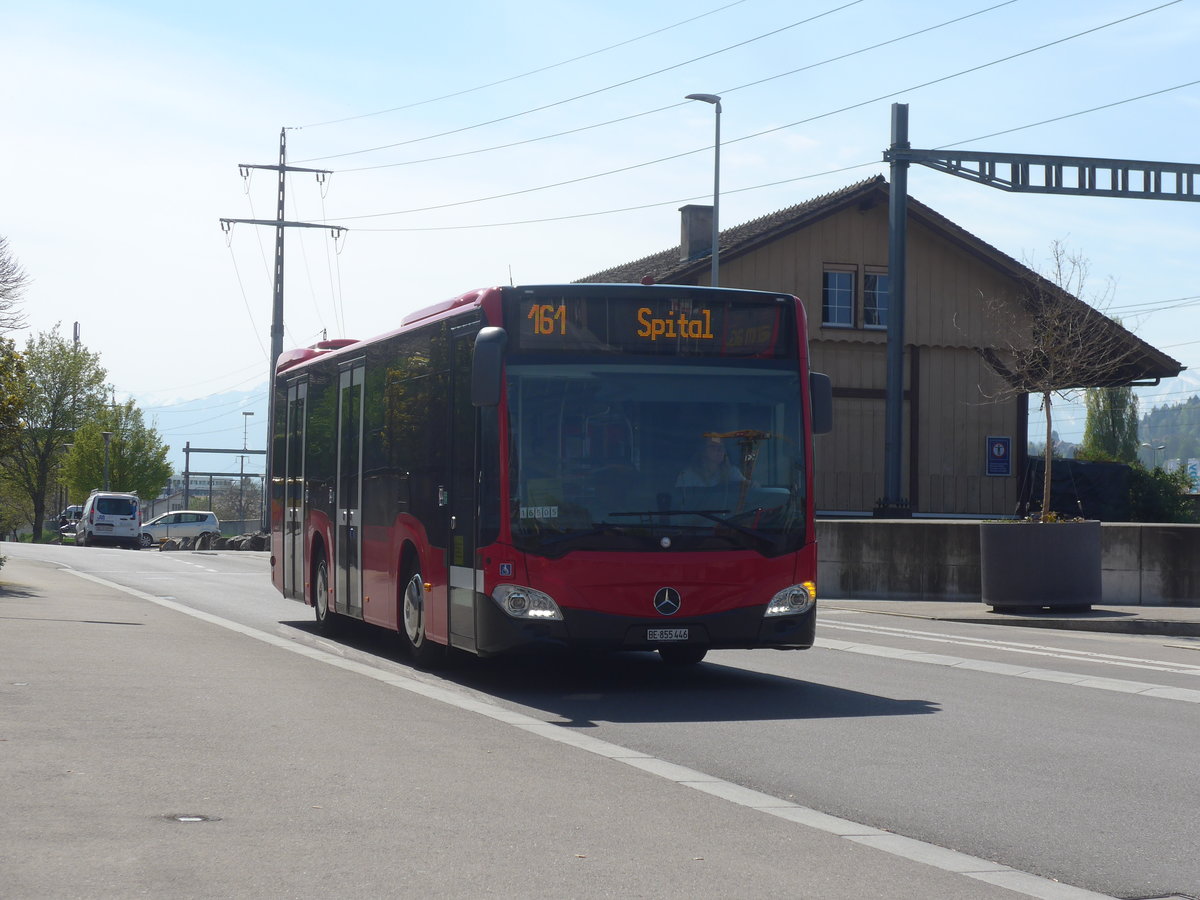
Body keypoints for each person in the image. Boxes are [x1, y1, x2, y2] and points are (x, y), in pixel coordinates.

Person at [676, 436, 746, 488]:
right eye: (713, 447)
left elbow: (747, 489)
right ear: (703, 451)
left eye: (721, 447)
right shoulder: (687, 476)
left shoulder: (732, 472)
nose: (719, 450)